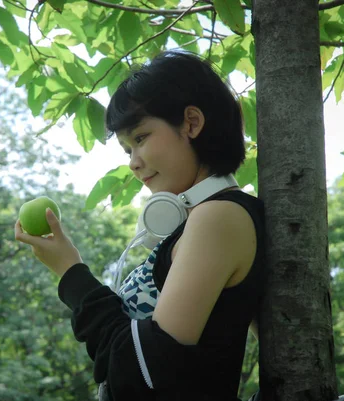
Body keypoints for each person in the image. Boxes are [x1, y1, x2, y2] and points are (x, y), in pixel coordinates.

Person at [14, 50, 265, 401]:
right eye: (126, 150)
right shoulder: (206, 218)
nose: (134, 163)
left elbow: (144, 372)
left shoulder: (218, 217)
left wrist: (71, 273)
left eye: (141, 138)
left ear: (191, 123)